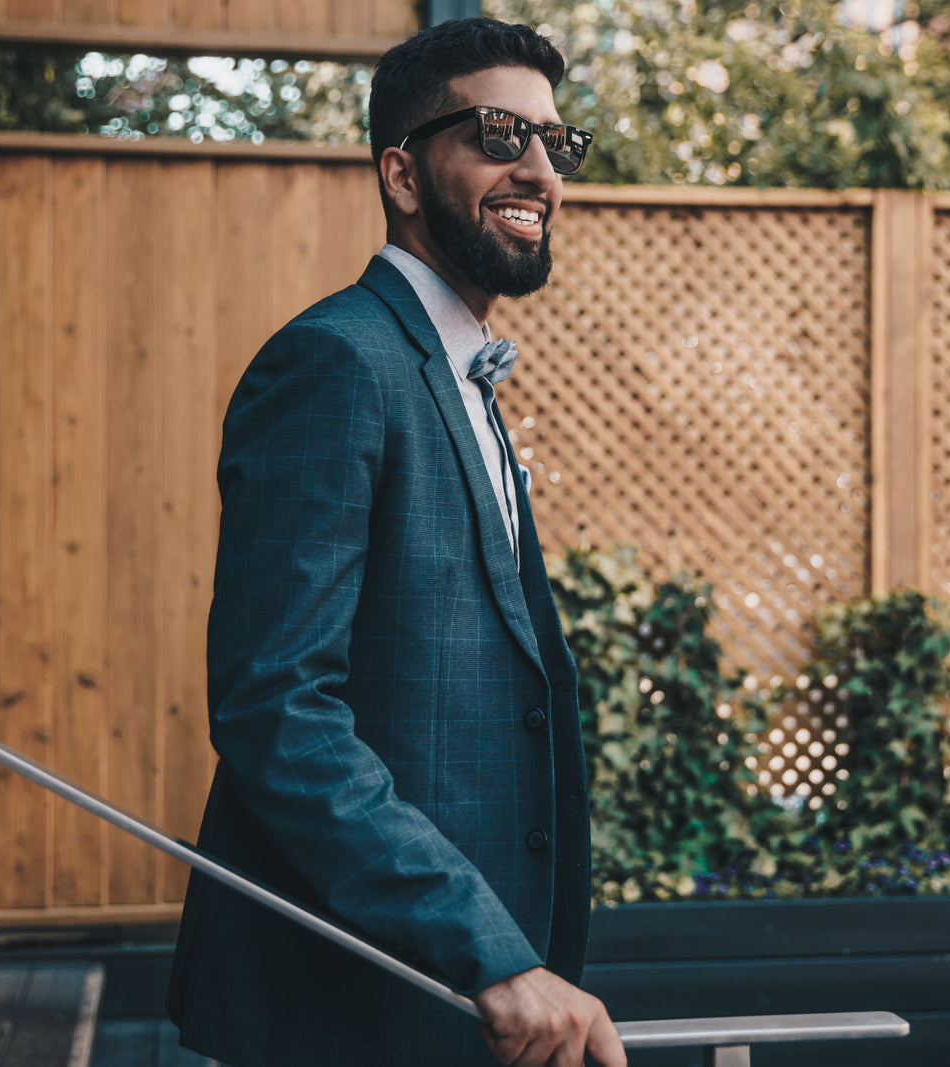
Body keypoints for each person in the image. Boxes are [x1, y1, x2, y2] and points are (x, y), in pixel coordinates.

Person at [164, 17, 627, 1067]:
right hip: (347, 1006)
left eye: (558, 142)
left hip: (461, 1005)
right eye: (501, 133)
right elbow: (279, 711)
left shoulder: (458, 375)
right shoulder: (336, 363)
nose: (539, 169)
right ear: (402, 174)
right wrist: (483, 949)